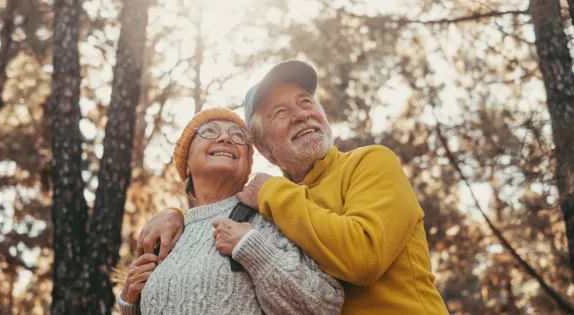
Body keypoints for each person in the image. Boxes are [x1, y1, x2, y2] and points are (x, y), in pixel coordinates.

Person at [137, 60, 449, 314]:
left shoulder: (369, 163)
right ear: (264, 149)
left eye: (306, 101)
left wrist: (271, 194)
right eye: (280, 112)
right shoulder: (265, 211)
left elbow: (364, 258)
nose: (302, 114)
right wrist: (175, 216)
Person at [118, 108, 344, 315]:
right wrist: (129, 304)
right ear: (185, 162)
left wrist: (255, 251)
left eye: (238, 136)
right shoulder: (167, 237)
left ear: (246, 166)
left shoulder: (269, 220)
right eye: (209, 131)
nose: (226, 138)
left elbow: (326, 305)